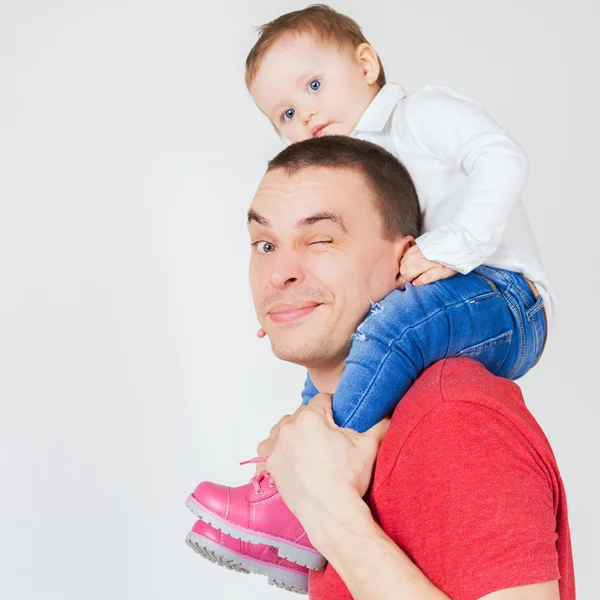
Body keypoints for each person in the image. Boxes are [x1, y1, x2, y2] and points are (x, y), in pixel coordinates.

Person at [185, 137, 574, 599]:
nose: (279, 273)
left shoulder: (452, 413)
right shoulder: (325, 443)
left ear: (403, 261)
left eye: (321, 238)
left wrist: (330, 513)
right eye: (265, 244)